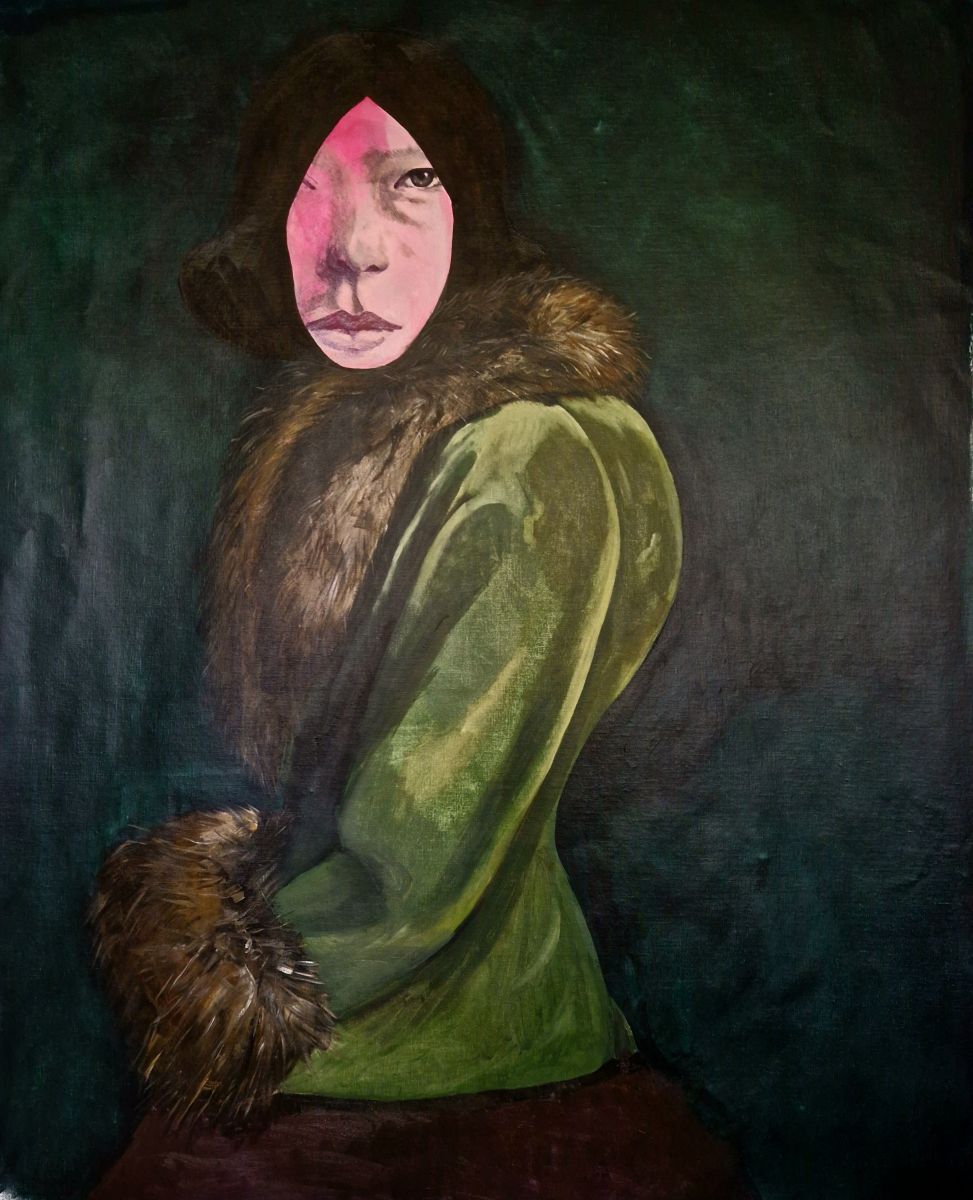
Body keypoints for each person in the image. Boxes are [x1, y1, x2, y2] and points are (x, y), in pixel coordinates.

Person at [89, 31, 748, 1200]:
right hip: (383, 1035)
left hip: (442, 1050)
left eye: (409, 181)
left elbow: (416, 866)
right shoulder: (371, 433)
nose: (349, 252)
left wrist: (204, 966)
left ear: (472, 210)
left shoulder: (533, 452)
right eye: (309, 190)